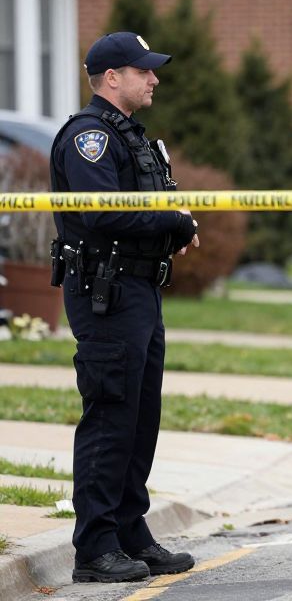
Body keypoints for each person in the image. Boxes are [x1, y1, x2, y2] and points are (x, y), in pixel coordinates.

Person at [49, 32, 199, 583]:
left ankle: (130, 530)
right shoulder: (89, 137)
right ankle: (95, 546)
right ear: (113, 77)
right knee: (111, 414)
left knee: (140, 415)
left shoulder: (129, 137)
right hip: (105, 294)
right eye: (144, 71)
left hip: (138, 289)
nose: (154, 79)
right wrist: (174, 221)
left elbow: (145, 209)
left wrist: (174, 226)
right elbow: (103, 216)